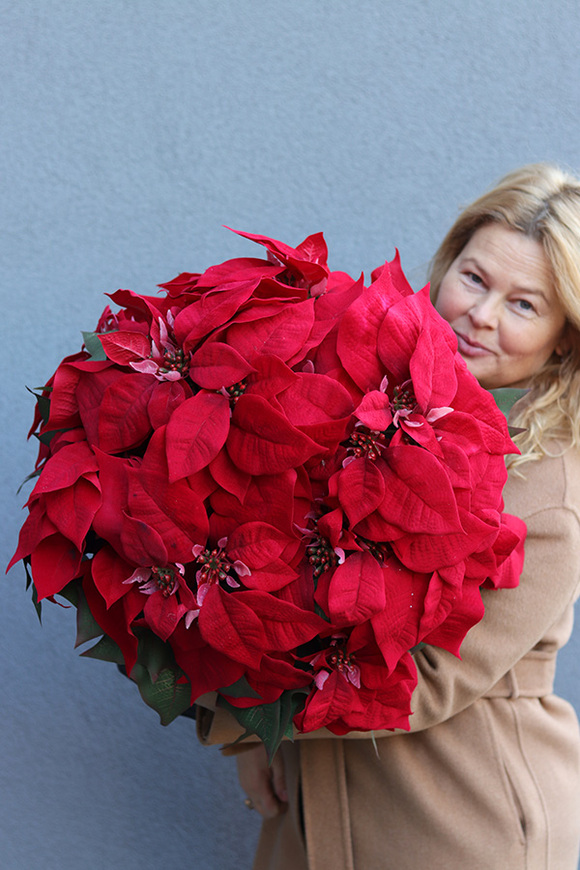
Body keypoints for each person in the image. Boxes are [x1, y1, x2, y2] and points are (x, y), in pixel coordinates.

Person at [197, 163, 580, 869]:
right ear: (445, 268)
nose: (483, 314)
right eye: (474, 278)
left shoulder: (549, 489)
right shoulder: (370, 400)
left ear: (564, 336)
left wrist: (234, 719)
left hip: (461, 823)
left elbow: (429, 678)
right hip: (313, 813)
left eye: (525, 305)